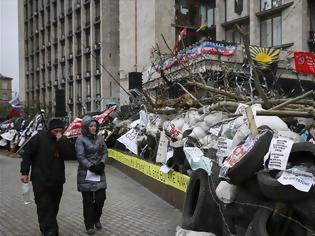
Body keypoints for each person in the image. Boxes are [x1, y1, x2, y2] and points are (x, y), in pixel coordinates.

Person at [20, 118, 74, 236]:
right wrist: (24, 172)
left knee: (54, 206)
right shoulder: (38, 139)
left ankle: (47, 225)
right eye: (55, 131)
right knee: (44, 205)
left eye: (61, 131)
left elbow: (71, 155)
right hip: (40, 179)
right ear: (50, 130)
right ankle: (50, 230)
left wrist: (61, 142)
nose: (58, 133)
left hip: (57, 180)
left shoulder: (63, 140)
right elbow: (27, 154)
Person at [75, 116, 107, 235]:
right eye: (91, 126)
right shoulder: (80, 140)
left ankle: (96, 218)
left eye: (95, 126)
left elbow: (105, 152)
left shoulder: (100, 138)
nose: (94, 128)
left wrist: (102, 164)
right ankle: (89, 225)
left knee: (100, 199)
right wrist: (91, 166)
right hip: (86, 173)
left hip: (99, 172)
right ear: (86, 127)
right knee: (87, 201)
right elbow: (80, 156)